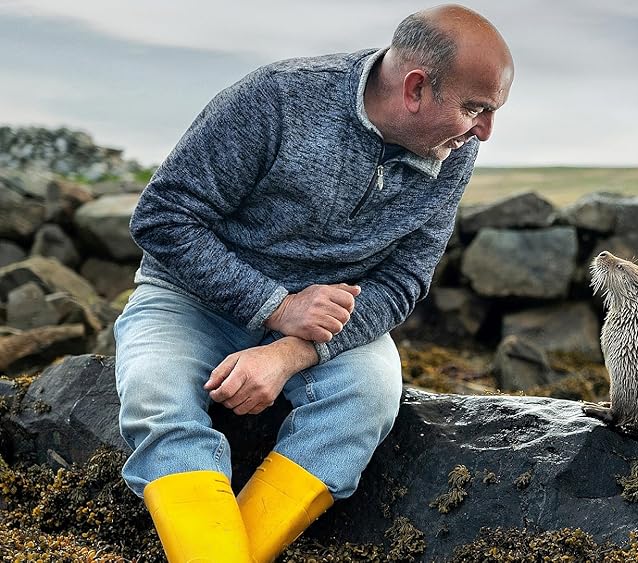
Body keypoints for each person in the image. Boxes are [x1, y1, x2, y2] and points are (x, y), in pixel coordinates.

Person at [113, 4, 513, 561]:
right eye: (475, 109)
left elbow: (404, 279)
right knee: (156, 393)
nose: (484, 133)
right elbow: (163, 218)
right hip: (188, 300)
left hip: (327, 322)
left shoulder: (455, 149)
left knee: (369, 395)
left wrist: (291, 351)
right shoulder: (276, 98)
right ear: (416, 88)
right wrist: (276, 307)